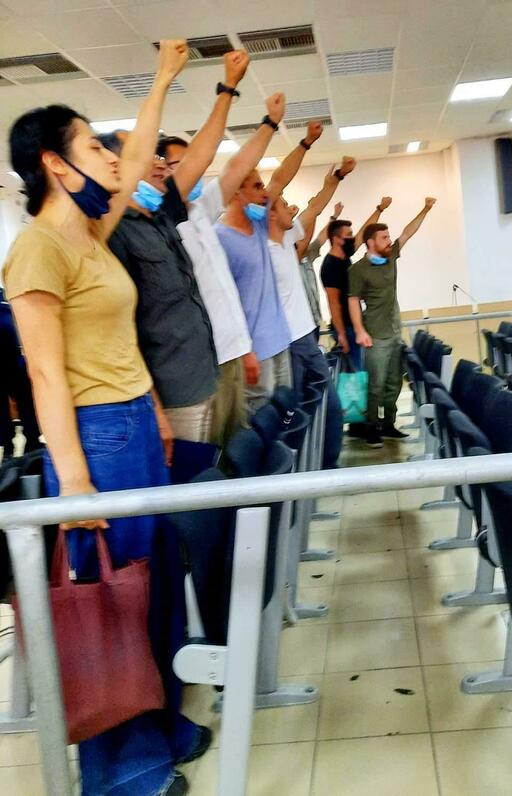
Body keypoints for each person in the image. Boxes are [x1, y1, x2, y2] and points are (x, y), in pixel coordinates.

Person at [4, 41, 208, 796]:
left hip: (133, 426)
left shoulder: (90, 236)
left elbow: (142, 151)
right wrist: (75, 483)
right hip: (95, 440)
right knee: (110, 601)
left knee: (155, 588)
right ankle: (120, 772)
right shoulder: (36, 251)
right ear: (56, 165)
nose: (113, 158)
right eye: (93, 146)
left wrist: (163, 79)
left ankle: (164, 725)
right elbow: (45, 373)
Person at [104, 53, 252, 465]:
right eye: (143, 154)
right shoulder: (114, 234)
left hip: (205, 377)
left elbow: (201, 154)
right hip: (174, 398)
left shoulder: (162, 212)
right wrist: (154, 407)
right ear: (117, 167)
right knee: (192, 490)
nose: (157, 162)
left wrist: (228, 87)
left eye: (157, 155)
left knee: (219, 476)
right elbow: (124, 334)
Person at [158, 89, 287, 446]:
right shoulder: (161, 223)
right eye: (183, 164)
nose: (195, 169)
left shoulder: (201, 209)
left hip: (232, 352)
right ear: (162, 171)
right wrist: (226, 90)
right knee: (211, 454)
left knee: (235, 448)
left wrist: (270, 123)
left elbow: (237, 167)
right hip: (203, 363)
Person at [215, 120, 323, 412]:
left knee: (285, 417)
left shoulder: (260, 224)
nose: (265, 192)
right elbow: (222, 302)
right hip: (254, 351)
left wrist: (306, 143)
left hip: (280, 341)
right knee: (260, 420)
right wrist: (243, 349)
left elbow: (280, 179)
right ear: (236, 193)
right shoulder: (219, 238)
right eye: (256, 186)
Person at [268, 158, 356, 468]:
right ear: (270, 214)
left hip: (305, 335)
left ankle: (322, 463)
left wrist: (336, 179)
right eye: (283, 205)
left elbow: (314, 208)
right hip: (291, 341)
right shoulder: (263, 248)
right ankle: (318, 467)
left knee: (323, 403)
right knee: (305, 406)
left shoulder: (286, 239)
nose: (290, 209)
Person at [349, 197, 437, 447]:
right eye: (384, 238)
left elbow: (408, 232)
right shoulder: (358, 270)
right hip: (375, 335)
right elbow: (352, 300)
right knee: (375, 386)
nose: (389, 241)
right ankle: (371, 428)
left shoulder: (390, 256)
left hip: (394, 331)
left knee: (393, 383)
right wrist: (359, 330)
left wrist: (426, 209)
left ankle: (388, 423)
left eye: (388, 237)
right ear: (370, 242)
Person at [320, 197, 393, 370]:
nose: (352, 238)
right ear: (336, 239)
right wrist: (341, 335)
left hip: (354, 325)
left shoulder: (345, 256)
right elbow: (333, 303)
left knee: (360, 370)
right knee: (354, 374)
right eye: (348, 235)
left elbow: (363, 234)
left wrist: (379, 209)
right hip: (346, 329)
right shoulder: (330, 266)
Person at [0, 289, 42, 458]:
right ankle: (29, 443)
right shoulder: (6, 301)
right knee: (23, 400)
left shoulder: (6, 299)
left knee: (19, 400)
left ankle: (14, 446)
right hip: (14, 357)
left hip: (13, 356)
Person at [299, 201, 344, 338]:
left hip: (315, 320)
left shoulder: (307, 254)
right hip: (301, 324)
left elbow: (322, 237)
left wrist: (334, 217)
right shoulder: (288, 258)